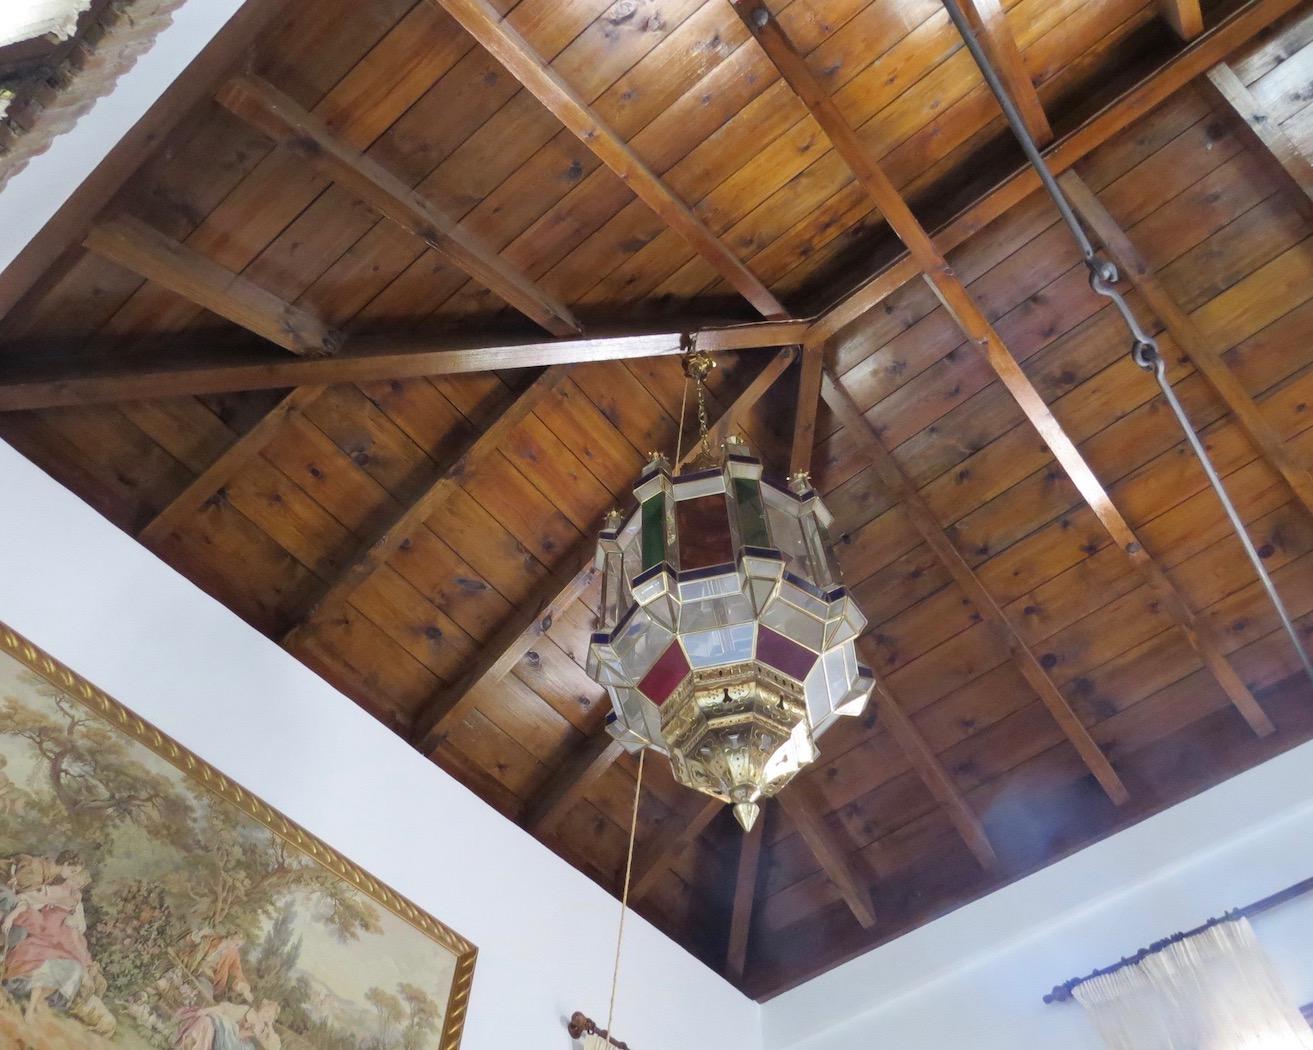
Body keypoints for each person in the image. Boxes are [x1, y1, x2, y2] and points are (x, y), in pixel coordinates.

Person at [1, 852, 95, 1024]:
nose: (74, 882)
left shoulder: (75, 898)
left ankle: (36, 1004)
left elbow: (79, 925)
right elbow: (26, 897)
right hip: (44, 932)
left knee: (70, 966)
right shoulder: (52, 887)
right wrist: (54, 901)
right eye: (74, 875)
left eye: (79, 883)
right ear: (67, 866)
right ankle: (29, 1007)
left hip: (59, 937)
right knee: (43, 960)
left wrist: (73, 916)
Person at [173, 997, 282, 1050]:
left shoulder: (265, 1031)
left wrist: (270, 1026)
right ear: (262, 1007)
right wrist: (207, 1010)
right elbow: (226, 1009)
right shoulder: (247, 1010)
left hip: (240, 1047)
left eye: (270, 1015)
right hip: (228, 1034)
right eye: (266, 1010)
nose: (266, 1015)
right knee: (207, 1021)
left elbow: (275, 1047)